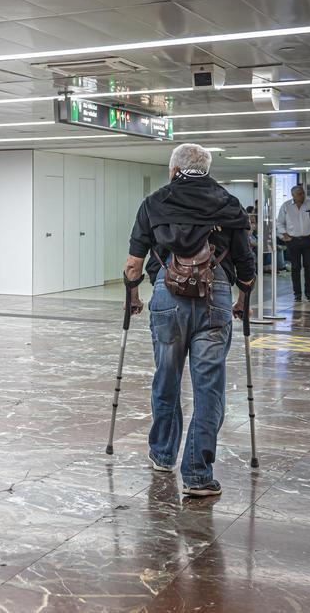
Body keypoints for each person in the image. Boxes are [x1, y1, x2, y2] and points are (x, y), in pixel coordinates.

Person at [125, 143, 255, 498]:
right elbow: (245, 264)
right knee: (208, 387)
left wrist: (134, 296)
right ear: (207, 169)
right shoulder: (228, 203)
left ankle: (163, 455)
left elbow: (134, 263)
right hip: (216, 300)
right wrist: (243, 298)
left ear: (173, 170)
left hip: (168, 300)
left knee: (166, 377)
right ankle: (198, 474)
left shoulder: (154, 202)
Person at [277, 184, 310, 303]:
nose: (302, 196)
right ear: (293, 195)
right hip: (293, 241)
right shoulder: (286, 206)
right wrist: (284, 234)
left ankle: (308, 293)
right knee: (295, 268)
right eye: (299, 194)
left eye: (303, 193)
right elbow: (280, 223)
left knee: (309, 266)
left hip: (308, 239)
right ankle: (297, 294)